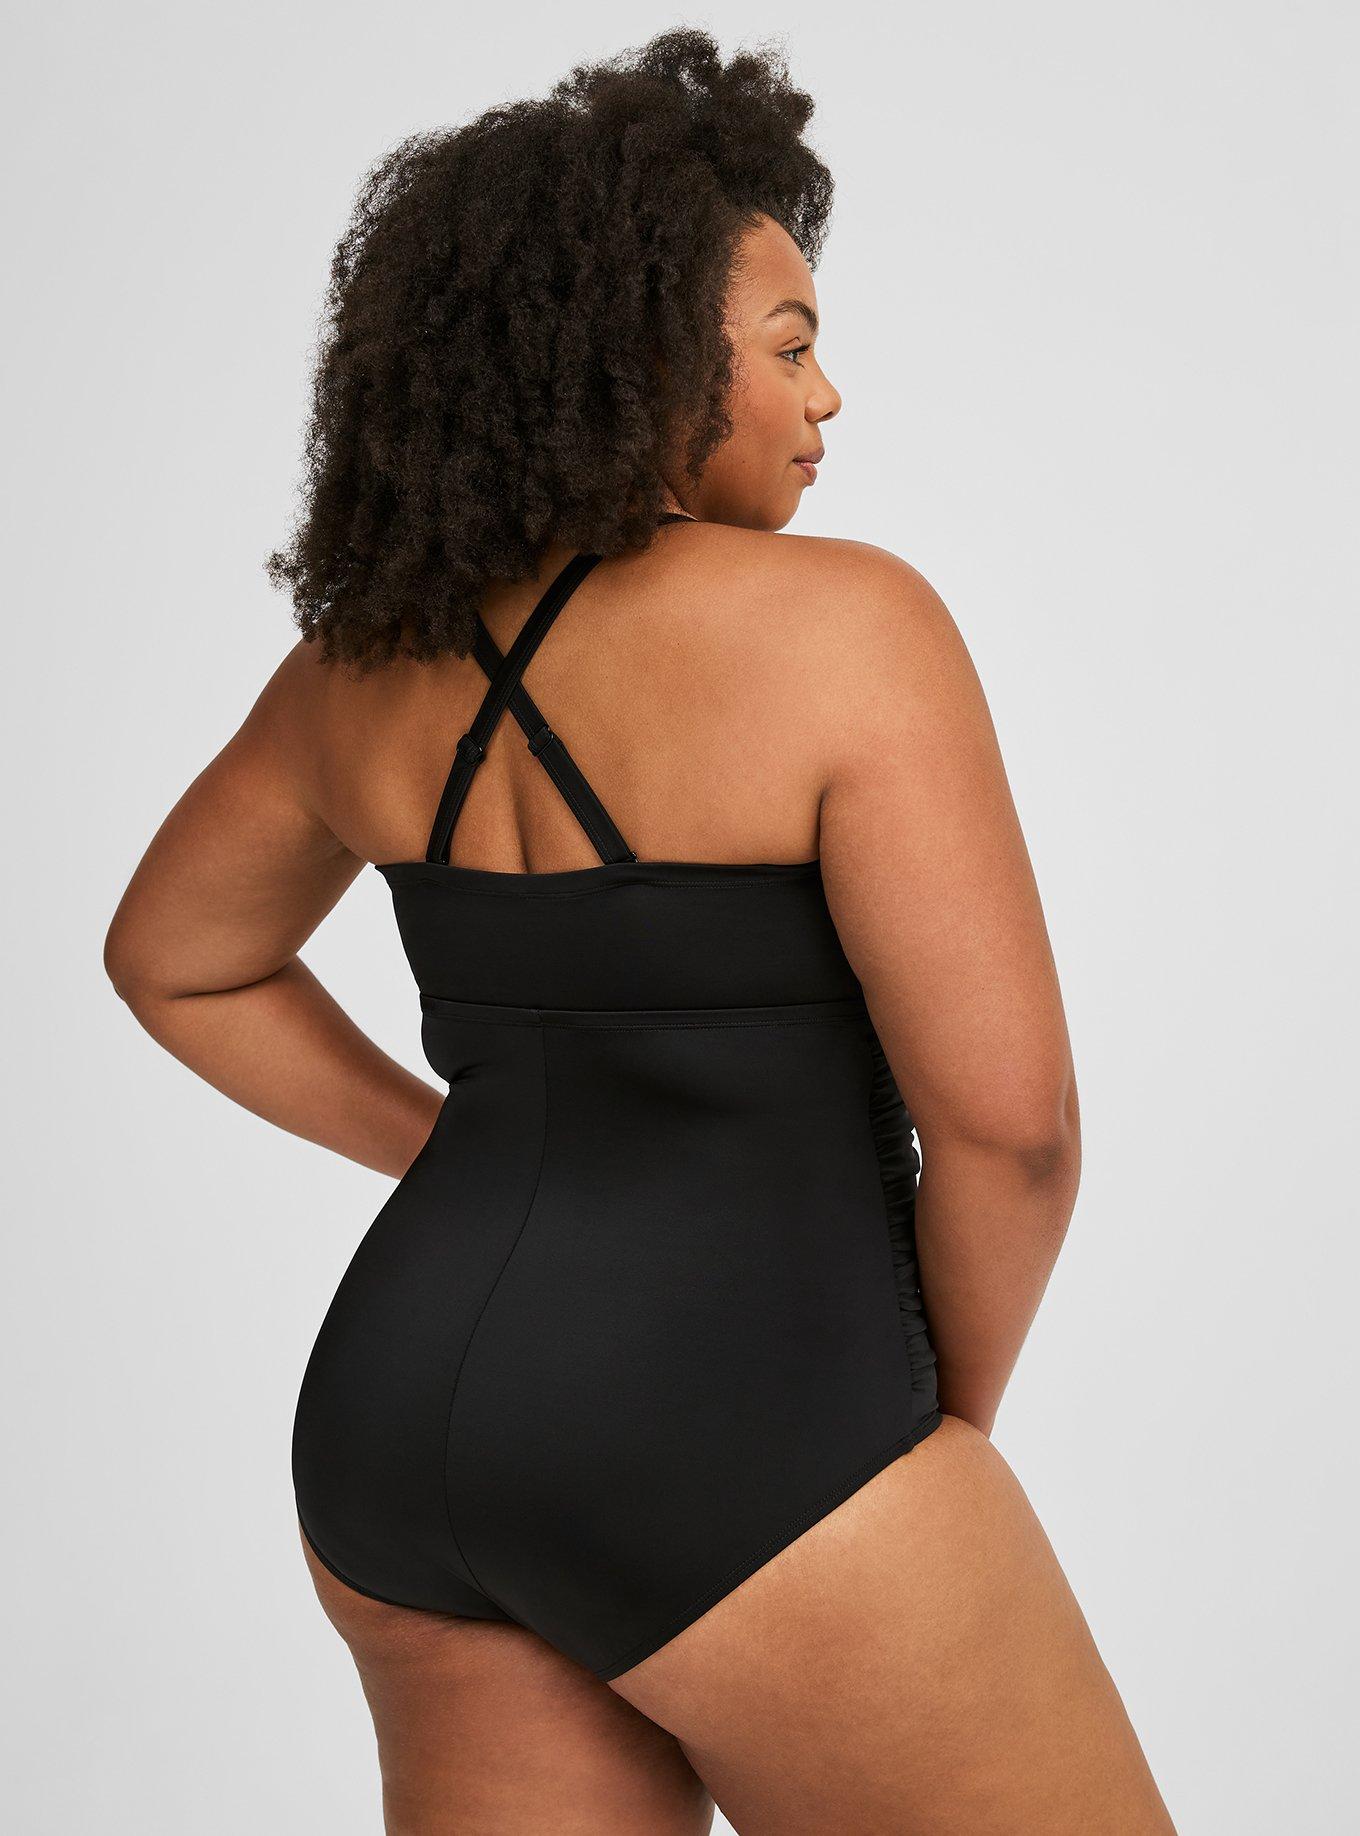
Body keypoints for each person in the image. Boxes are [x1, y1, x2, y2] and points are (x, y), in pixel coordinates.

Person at [104, 27, 1177, 1835]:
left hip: (402, 1437)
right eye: (791, 347)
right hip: (750, 1428)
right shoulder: (849, 627)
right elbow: (1014, 1133)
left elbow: (174, 958)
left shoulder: (361, 664)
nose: (828, 397)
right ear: (649, 361)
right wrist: (921, 1439)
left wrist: (456, 1156)